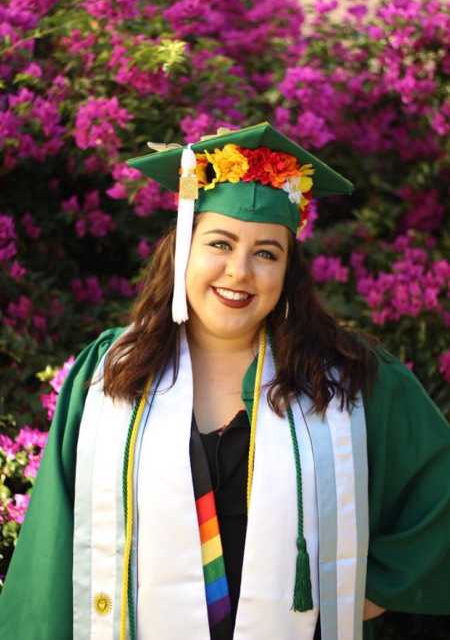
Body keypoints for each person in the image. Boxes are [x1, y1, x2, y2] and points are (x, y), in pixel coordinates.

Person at [0, 122, 449, 640]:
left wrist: (367, 590)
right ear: (183, 247)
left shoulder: (346, 379)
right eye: (220, 243)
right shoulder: (109, 373)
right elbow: (55, 549)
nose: (239, 271)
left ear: (287, 272)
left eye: (266, 253)